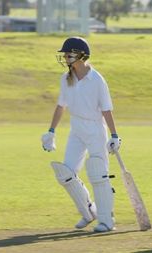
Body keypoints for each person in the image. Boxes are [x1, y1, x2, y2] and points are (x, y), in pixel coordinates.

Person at [41, 37, 121, 233]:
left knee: (98, 173)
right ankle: (89, 212)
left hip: (95, 129)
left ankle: (106, 221)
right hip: (76, 129)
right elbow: (61, 106)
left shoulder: (97, 80)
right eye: (65, 54)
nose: (65, 56)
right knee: (65, 173)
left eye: (69, 53)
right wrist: (51, 131)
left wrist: (114, 135)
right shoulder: (65, 78)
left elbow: (106, 110)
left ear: (81, 55)